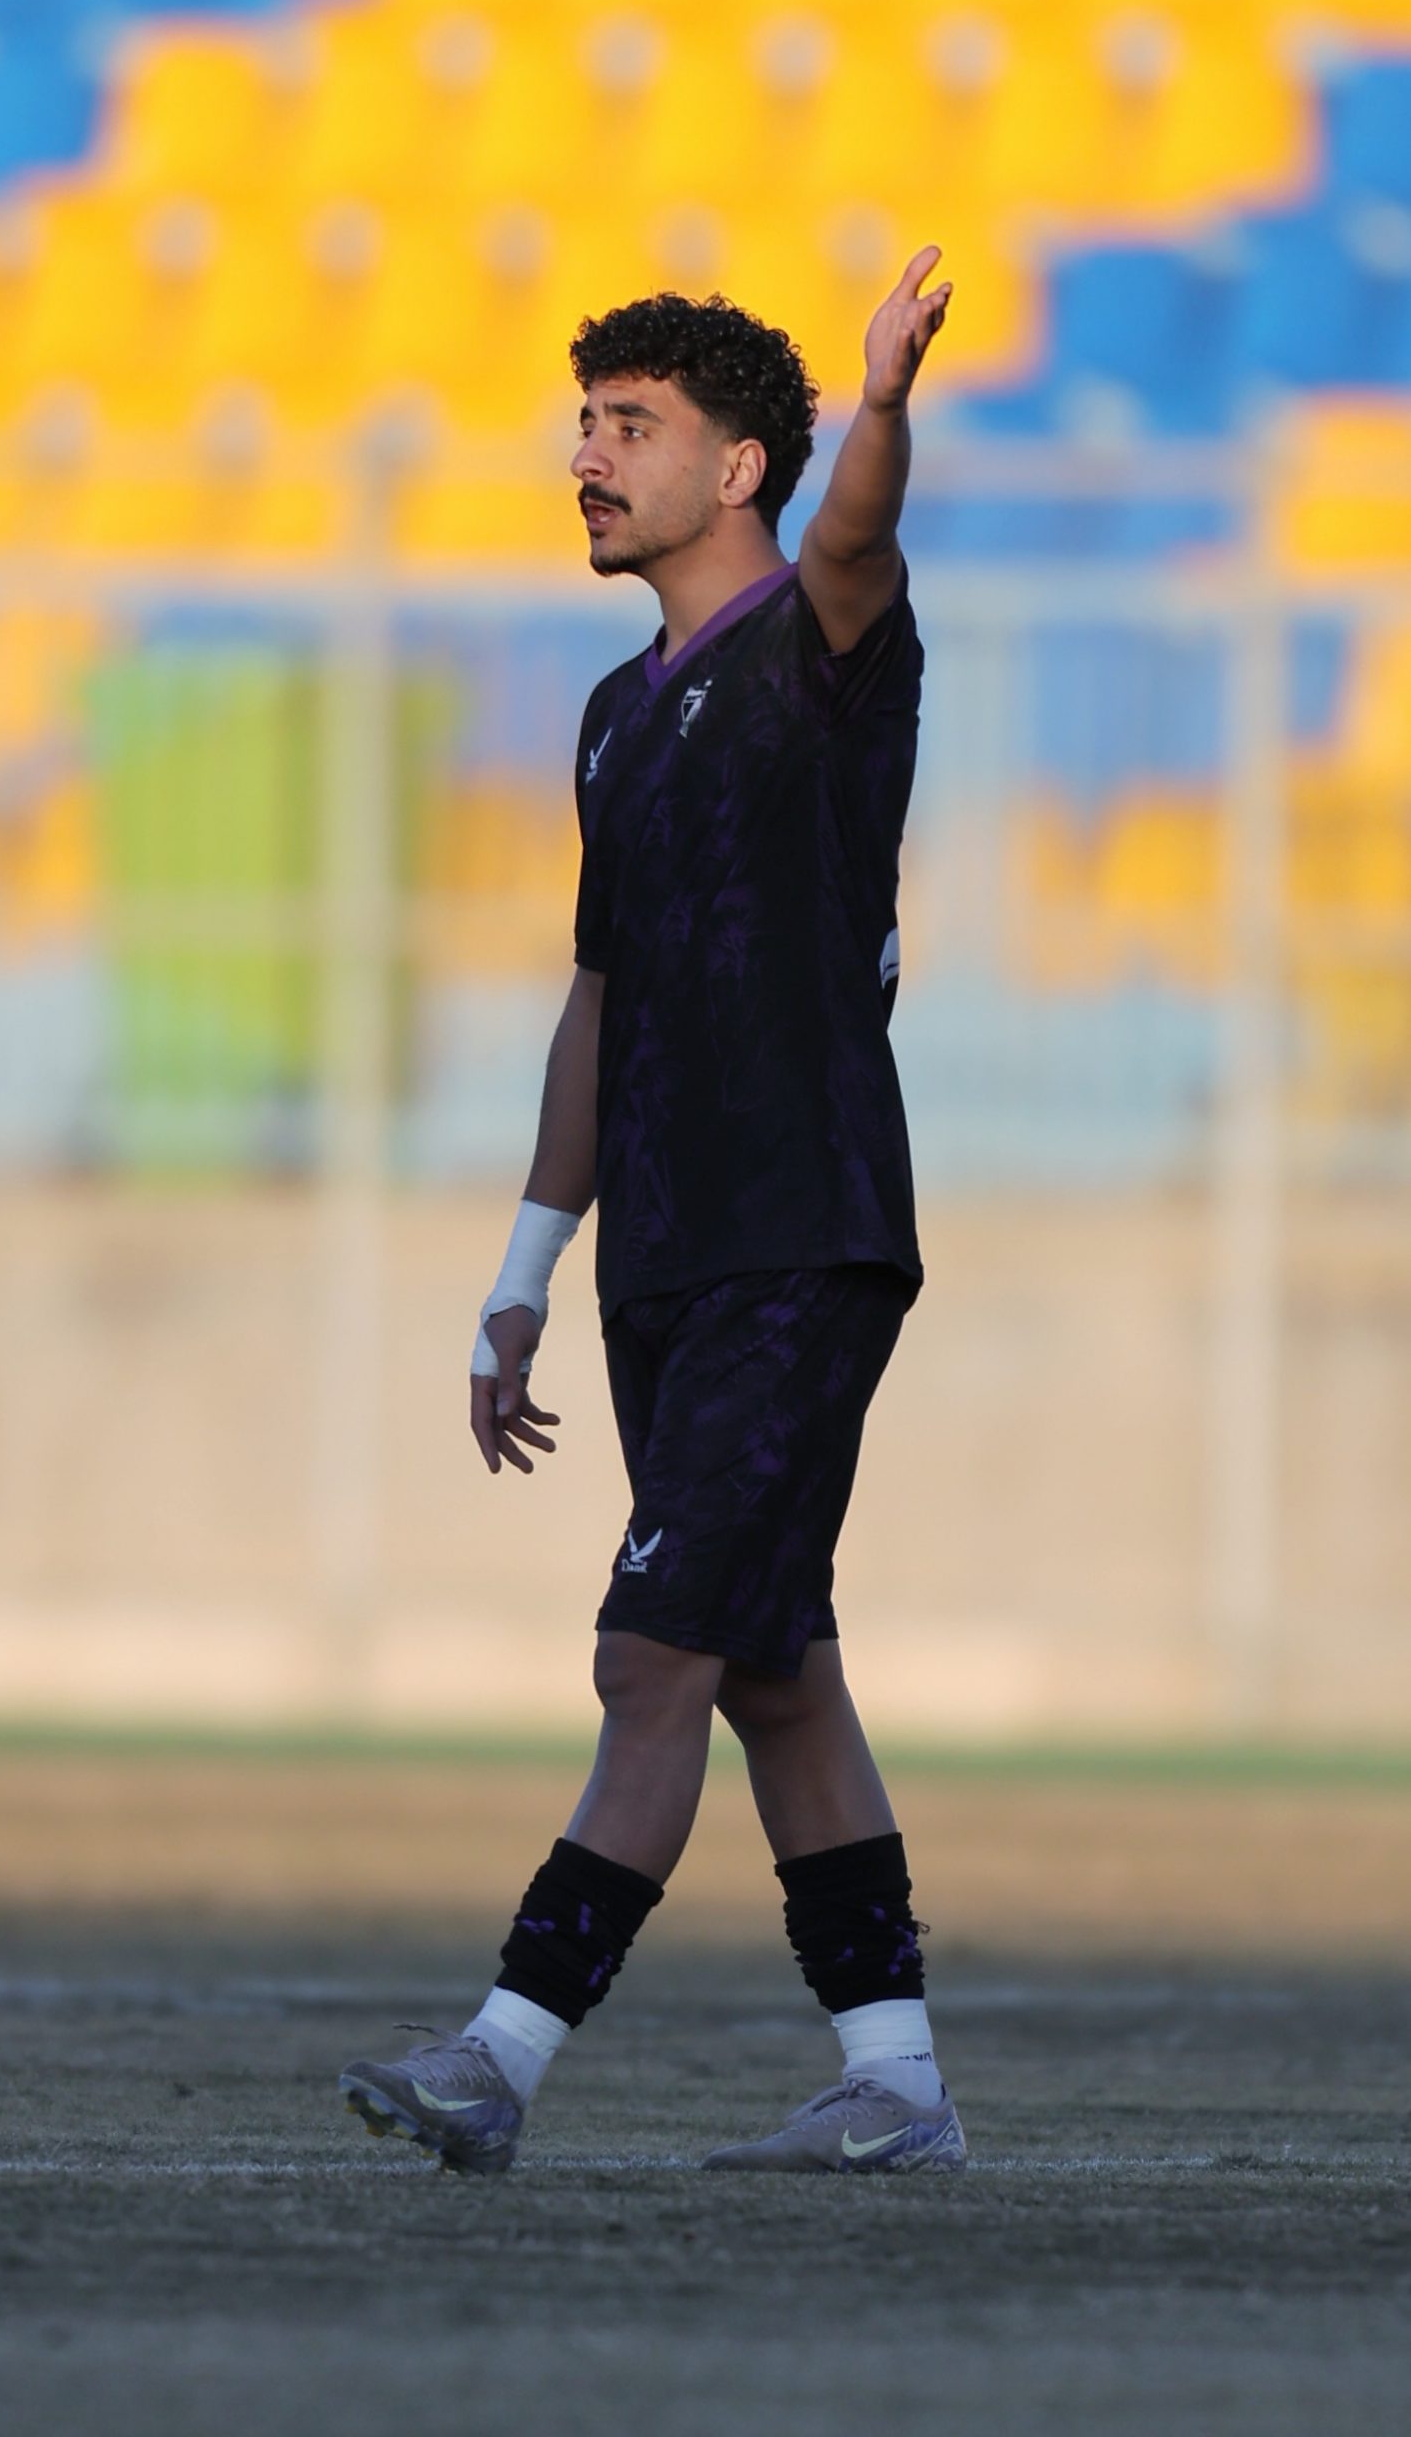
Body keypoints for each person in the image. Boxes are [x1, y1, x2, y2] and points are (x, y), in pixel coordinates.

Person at [339, 250, 961, 2178]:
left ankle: (498, 2058)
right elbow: (598, 1005)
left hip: (803, 1232)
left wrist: (883, 406)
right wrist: (525, 1271)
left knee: (652, 1656)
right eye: (586, 424)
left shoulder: (821, 642)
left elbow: (858, 536)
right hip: (666, 1255)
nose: (589, 458)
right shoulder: (616, 718)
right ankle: (896, 2086)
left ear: (739, 465)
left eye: (632, 427)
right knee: (772, 1666)